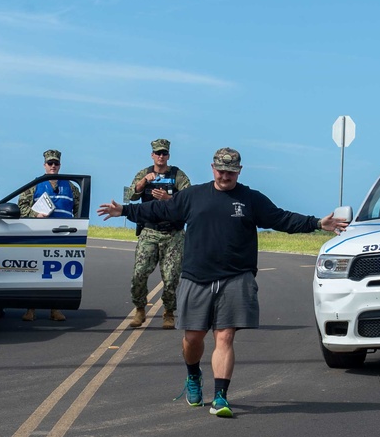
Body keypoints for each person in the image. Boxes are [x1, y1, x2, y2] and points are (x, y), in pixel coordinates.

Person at [98, 147, 349, 418]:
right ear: (212, 168)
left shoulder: (250, 199)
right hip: (196, 277)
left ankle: (220, 396)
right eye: (221, 170)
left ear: (239, 171)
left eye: (231, 171)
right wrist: (123, 209)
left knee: (224, 336)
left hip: (235, 277)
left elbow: (281, 218)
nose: (225, 175)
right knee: (192, 338)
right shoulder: (193, 196)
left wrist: (315, 223)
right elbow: (159, 210)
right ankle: (193, 375)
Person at [126, 138, 191, 330]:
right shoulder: (144, 173)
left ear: (168, 156)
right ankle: (139, 309)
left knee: (171, 277)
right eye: (158, 153)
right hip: (149, 231)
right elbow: (131, 195)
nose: (161, 156)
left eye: (164, 153)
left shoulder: (177, 175)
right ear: (152, 155)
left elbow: (188, 200)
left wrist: (169, 198)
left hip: (172, 233)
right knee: (139, 273)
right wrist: (144, 182)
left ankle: (169, 312)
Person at [18, 149, 80, 322]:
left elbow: (79, 209)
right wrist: (34, 215)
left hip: (63, 236)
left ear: (60, 165)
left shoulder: (71, 187)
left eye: (56, 163)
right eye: (50, 163)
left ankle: (55, 309)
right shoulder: (35, 185)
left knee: (58, 273)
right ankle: (30, 309)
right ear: (44, 165)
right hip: (40, 235)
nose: (53, 166)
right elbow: (21, 206)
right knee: (35, 271)